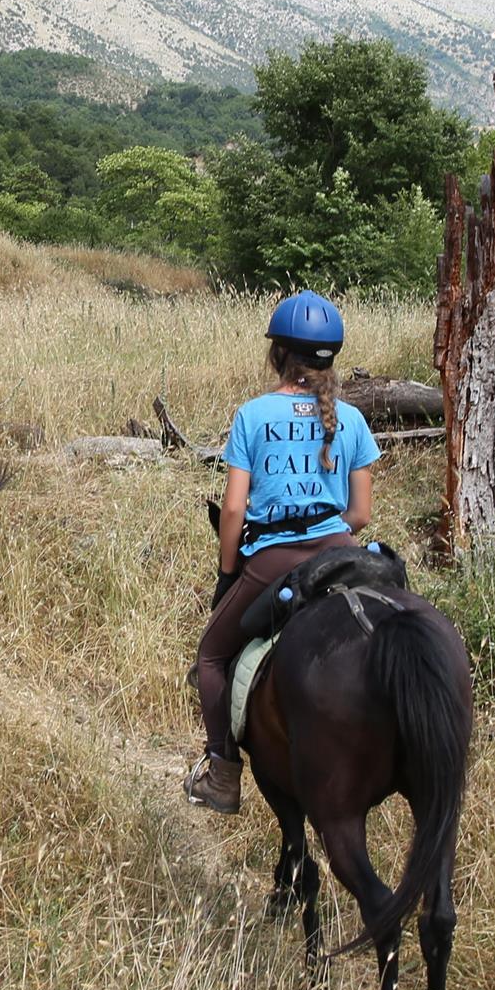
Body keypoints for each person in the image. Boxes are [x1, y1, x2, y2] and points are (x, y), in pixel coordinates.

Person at [183, 290, 380, 814]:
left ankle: (223, 776)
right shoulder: (353, 421)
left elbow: (231, 511)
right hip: (343, 551)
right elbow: (360, 515)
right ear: (331, 359)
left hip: (276, 558)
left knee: (210, 656)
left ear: (278, 355)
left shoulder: (253, 415)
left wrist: (228, 572)